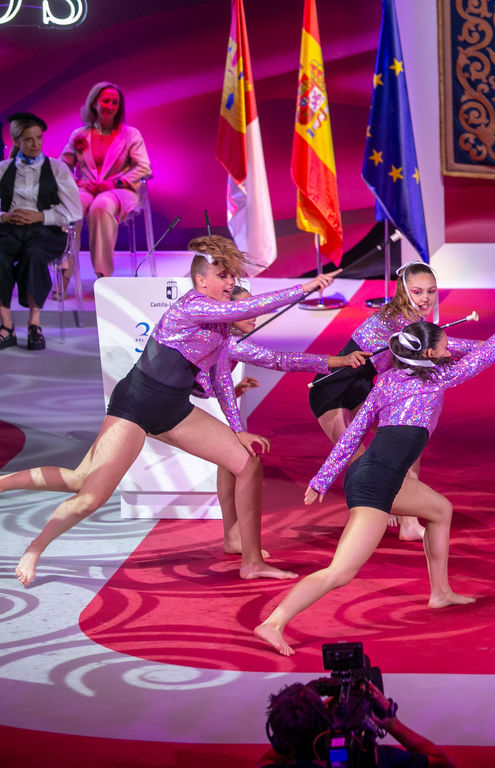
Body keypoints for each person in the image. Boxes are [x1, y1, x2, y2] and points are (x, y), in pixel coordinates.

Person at [4, 235, 335, 586]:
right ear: (200, 281)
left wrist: (238, 429)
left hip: (175, 410)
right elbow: (244, 309)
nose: (230, 283)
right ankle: (35, 547)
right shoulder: (192, 306)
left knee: (246, 461)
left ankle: (250, 559)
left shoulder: (221, 328)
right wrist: (306, 288)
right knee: (86, 493)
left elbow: (221, 380)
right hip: (136, 405)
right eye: (222, 276)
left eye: (231, 277)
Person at [255, 298, 495, 656]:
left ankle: (440, 593)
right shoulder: (440, 378)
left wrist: (322, 480)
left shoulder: (388, 381)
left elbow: (353, 434)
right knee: (340, 572)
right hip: (376, 483)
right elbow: (484, 357)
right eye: (443, 348)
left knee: (440, 510)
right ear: (432, 356)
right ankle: (274, 623)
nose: (448, 351)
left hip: (374, 472)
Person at [308, 262, 477, 542]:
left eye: (431, 291)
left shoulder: (414, 318)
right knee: (364, 467)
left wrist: (492, 344)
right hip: (332, 391)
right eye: (418, 291)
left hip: (362, 386)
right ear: (403, 290)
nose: (425, 298)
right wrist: (492, 344)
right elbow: (448, 348)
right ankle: (365, 530)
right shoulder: (398, 320)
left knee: (407, 436)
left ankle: (409, 522)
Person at [198, 286, 368, 556]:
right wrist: (339, 360)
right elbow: (281, 360)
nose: (256, 314)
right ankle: (237, 539)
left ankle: (232, 535)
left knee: (229, 458)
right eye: (248, 309)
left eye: (256, 307)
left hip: (182, 399)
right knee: (239, 457)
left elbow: (210, 381)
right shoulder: (227, 341)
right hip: (167, 404)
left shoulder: (225, 338)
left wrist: (236, 389)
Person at [0, 112, 82, 351]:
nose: (35, 144)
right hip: (9, 229)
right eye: (28, 139)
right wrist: (4, 216)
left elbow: (74, 211)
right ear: (17, 142)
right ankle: (6, 326)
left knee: (34, 256)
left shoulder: (57, 169)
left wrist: (40, 216)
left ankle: (34, 323)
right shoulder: (3, 169)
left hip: (45, 231)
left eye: (38, 138)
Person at [60, 82, 151, 282]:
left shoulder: (131, 134)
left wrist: (116, 182)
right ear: (94, 103)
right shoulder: (80, 135)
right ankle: (65, 275)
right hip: (87, 188)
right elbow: (61, 167)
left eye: (115, 103)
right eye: (105, 101)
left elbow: (144, 167)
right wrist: (77, 182)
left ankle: (103, 277)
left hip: (119, 190)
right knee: (68, 205)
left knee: (100, 206)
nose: (110, 106)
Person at [261, 681, 454, 767]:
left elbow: (265, 761)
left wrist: (289, 733)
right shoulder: (374, 758)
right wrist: (393, 724)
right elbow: (442, 762)